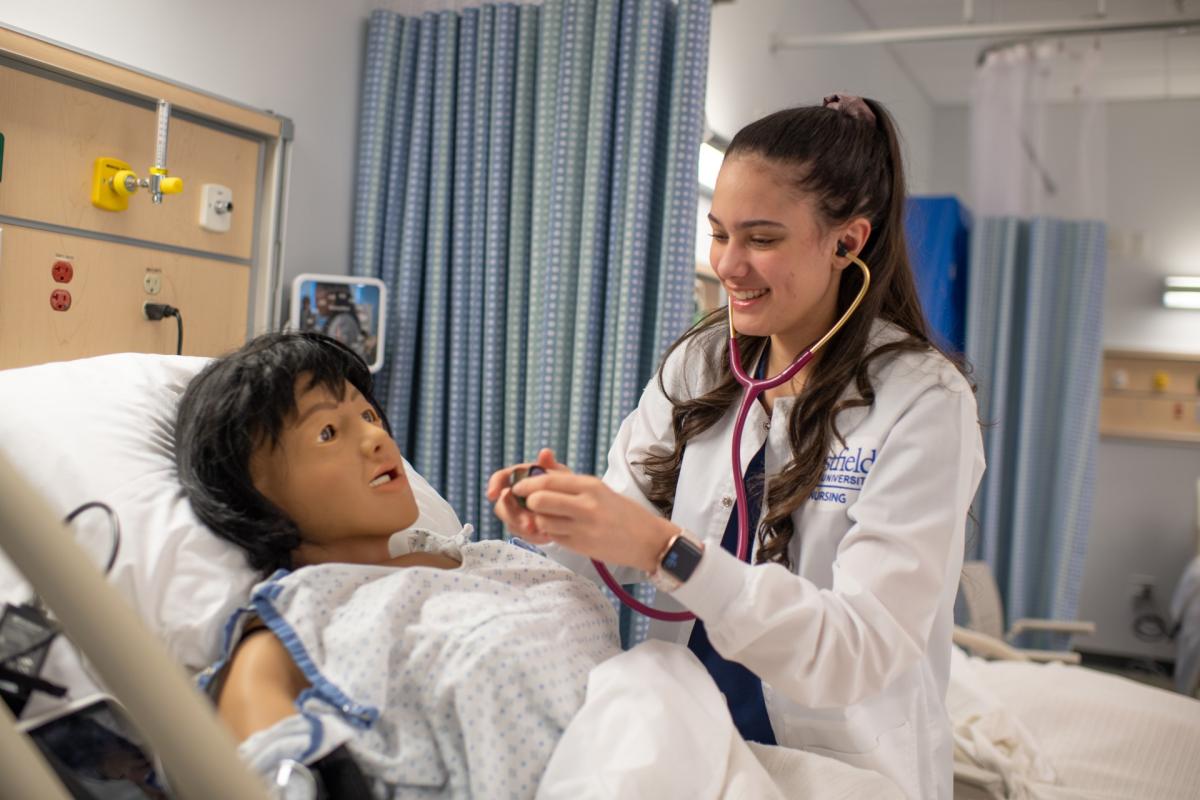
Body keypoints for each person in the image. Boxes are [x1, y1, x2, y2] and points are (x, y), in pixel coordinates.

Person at [488, 95, 984, 800]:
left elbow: (858, 650)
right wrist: (562, 522)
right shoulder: (702, 364)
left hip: (842, 766)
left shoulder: (922, 402)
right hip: (687, 742)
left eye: (762, 238)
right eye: (719, 233)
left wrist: (667, 551)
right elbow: (618, 531)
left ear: (847, 242)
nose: (728, 264)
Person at [175, 332, 619, 797]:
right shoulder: (297, 625)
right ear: (251, 492)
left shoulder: (485, 560)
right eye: (328, 431)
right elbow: (269, 771)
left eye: (367, 415)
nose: (376, 438)